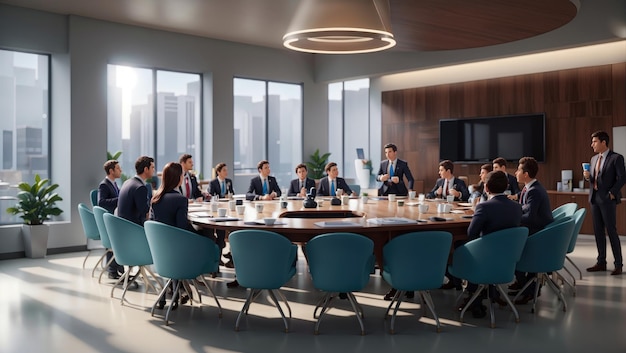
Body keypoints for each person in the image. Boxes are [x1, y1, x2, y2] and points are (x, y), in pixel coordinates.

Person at [458, 171, 523, 318]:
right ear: (506, 186)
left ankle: (473, 295)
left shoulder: (484, 207)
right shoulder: (517, 207)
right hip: (508, 260)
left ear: (486, 188)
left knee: (462, 246)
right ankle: (488, 293)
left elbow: (471, 232)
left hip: (484, 260)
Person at [150, 162, 195, 310]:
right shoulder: (180, 200)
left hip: (159, 249)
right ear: (179, 178)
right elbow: (181, 230)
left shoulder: (155, 198)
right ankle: (178, 292)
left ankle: (170, 294)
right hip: (176, 250)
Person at [510, 156, 553, 304]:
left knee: (509, 246)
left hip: (537, 233)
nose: (515, 173)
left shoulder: (534, 191)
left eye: (518, 170)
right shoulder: (530, 188)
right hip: (534, 229)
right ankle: (523, 283)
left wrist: (511, 218)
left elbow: (529, 216)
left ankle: (529, 288)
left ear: (526, 174)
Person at [584, 130, 626, 276]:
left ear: (603, 142)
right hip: (594, 199)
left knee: (611, 231)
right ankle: (601, 262)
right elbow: (594, 179)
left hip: (608, 200)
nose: (592, 145)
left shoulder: (616, 158)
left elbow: (622, 178)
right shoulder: (594, 159)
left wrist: (612, 193)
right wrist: (588, 177)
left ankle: (618, 264)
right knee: (598, 232)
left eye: (595, 142)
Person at [97, 159, 124, 279]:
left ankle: (118, 269)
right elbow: (101, 202)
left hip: (114, 218)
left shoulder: (114, 184)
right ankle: (112, 271)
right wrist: (120, 199)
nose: (121, 170)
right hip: (110, 220)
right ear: (111, 171)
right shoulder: (104, 185)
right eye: (118, 168)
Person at [207, 162, 235, 268]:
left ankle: (227, 256)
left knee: (224, 233)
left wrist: (230, 196)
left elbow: (232, 194)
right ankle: (217, 259)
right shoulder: (213, 183)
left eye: (227, 170)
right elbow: (211, 196)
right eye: (224, 170)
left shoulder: (229, 182)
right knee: (220, 233)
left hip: (227, 209)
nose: (226, 172)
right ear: (218, 172)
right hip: (217, 210)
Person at [118, 155, 155, 225]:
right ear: (146, 169)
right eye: (152, 167)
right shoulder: (140, 187)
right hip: (134, 229)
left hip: (123, 227)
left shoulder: (127, 182)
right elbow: (146, 213)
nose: (154, 170)